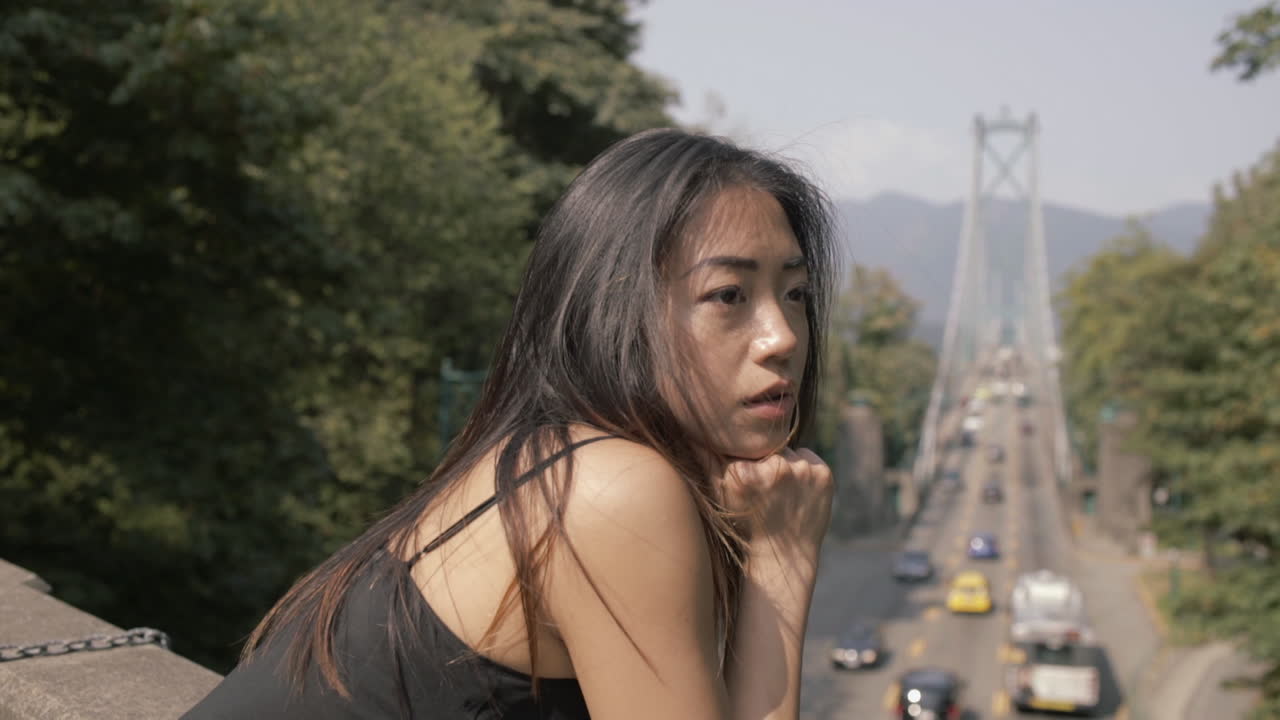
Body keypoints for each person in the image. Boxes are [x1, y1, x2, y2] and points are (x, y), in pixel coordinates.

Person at [183, 127, 839, 719]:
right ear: (619, 309)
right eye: (728, 295)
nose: (781, 336)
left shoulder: (548, 458)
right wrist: (780, 561)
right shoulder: (611, 487)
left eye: (796, 294)